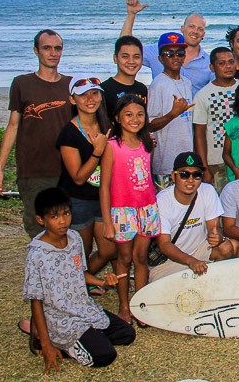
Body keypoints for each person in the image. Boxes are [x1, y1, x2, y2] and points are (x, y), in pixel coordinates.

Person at [23, 188, 134, 372]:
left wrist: (103, 283)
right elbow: (36, 301)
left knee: (127, 334)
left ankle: (89, 336)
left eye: (66, 213)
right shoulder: (36, 254)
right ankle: (54, 342)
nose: (62, 221)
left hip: (82, 307)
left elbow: (80, 274)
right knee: (105, 356)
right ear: (41, 220)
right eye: (54, 216)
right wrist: (46, 344)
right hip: (60, 318)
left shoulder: (74, 238)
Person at [0, 29, 71, 238]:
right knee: (39, 228)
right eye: (47, 48)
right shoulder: (22, 83)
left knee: (68, 228)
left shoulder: (71, 85)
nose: (53, 53)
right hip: (34, 170)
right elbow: (13, 126)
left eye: (57, 48)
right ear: (36, 51)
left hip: (69, 169)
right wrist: (0, 168)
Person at [99, 95, 161, 325]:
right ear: (117, 118)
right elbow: (104, 186)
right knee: (124, 258)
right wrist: (107, 221)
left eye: (139, 114)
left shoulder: (147, 143)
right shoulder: (112, 146)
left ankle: (140, 305)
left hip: (146, 208)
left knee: (141, 257)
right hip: (122, 211)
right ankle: (124, 306)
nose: (134, 119)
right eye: (128, 115)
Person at [55, 75, 115, 286]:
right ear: (73, 100)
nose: (90, 98)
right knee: (82, 250)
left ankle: (80, 283)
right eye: (83, 95)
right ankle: (74, 286)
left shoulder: (107, 125)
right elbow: (78, 177)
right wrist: (97, 152)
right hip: (77, 199)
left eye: (94, 93)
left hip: (103, 197)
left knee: (109, 250)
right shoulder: (69, 133)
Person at [150, 152, 239, 282]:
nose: (190, 180)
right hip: (171, 259)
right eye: (184, 174)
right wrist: (191, 261)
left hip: (199, 250)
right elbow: (164, 244)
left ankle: (213, 284)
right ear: (173, 177)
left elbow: (214, 228)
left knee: (227, 246)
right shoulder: (162, 201)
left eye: (196, 175)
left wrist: (217, 236)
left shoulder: (208, 191)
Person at [121, 0, 211, 95]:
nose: (195, 31)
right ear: (182, 29)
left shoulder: (209, 63)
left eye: (200, 29)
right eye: (191, 26)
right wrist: (131, 15)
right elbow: (124, 47)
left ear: (204, 34)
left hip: (192, 109)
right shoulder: (159, 50)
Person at [147, 32, 194, 190]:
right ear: (160, 58)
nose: (175, 57)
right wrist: (173, 114)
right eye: (169, 53)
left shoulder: (187, 83)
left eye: (179, 53)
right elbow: (149, 125)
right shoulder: (158, 85)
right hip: (165, 162)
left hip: (186, 158)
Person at [193, 47, 238, 191]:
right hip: (217, 161)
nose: (228, 66)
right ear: (212, 67)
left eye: (231, 62)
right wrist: (204, 167)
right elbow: (199, 134)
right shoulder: (203, 95)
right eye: (222, 63)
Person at [101, 36, 148, 117]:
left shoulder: (142, 89)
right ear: (115, 58)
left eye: (136, 57)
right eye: (125, 56)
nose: (131, 61)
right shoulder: (104, 90)